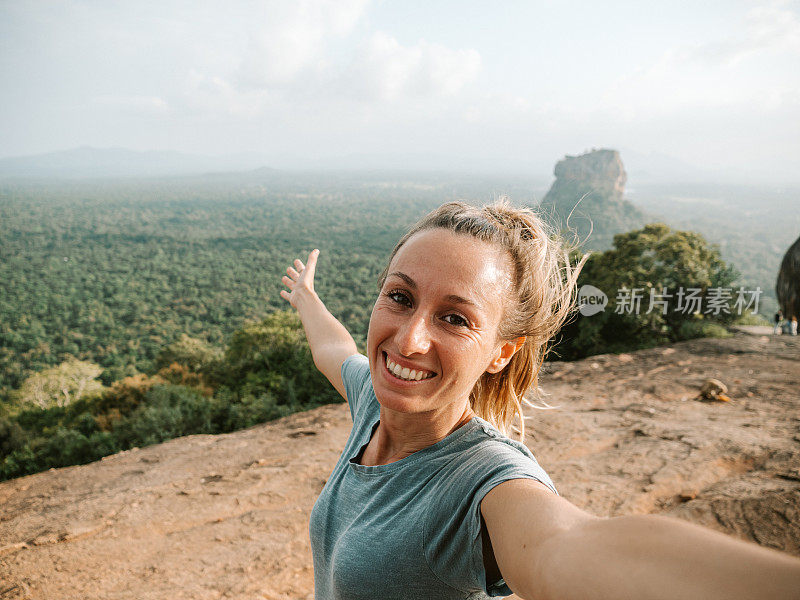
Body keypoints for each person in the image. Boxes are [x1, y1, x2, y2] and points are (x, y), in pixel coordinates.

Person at [280, 199, 800, 600]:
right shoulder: (376, 400)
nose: (410, 339)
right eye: (400, 297)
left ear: (501, 352)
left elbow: (567, 544)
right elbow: (335, 348)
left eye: (455, 318)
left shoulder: (482, 480)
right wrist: (306, 296)